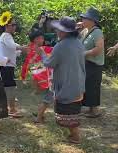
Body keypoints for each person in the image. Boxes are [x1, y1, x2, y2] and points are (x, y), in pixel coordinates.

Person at [36, 16, 86, 144]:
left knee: (67, 112)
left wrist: (41, 53)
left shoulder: (61, 45)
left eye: (58, 29)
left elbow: (49, 63)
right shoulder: (79, 43)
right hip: (78, 83)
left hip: (66, 84)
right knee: (73, 110)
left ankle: (75, 136)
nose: (56, 31)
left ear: (64, 31)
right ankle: (74, 135)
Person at [0, 11, 25, 118]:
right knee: (10, 87)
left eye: (15, 24)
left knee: (7, 87)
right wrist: (22, 47)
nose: (15, 27)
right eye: (13, 24)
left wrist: (21, 50)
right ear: (7, 25)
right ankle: (11, 110)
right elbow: (13, 46)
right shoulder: (6, 35)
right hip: (6, 67)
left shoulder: (6, 36)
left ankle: (8, 108)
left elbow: (12, 51)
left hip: (7, 66)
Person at [24, 30, 54, 124]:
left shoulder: (31, 50)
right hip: (47, 77)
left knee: (45, 97)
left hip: (38, 77)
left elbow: (29, 65)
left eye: (42, 37)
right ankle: (39, 117)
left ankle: (40, 114)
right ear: (36, 39)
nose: (42, 39)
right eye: (40, 38)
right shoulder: (43, 49)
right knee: (47, 98)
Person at [80, 7, 105, 118]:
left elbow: (98, 49)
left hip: (94, 64)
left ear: (92, 20)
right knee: (87, 86)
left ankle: (94, 111)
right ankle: (90, 109)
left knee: (92, 87)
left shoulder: (97, 32)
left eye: (85, 18)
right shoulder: (86, 31)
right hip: (87, 63)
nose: (83, 20)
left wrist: (84, 53)